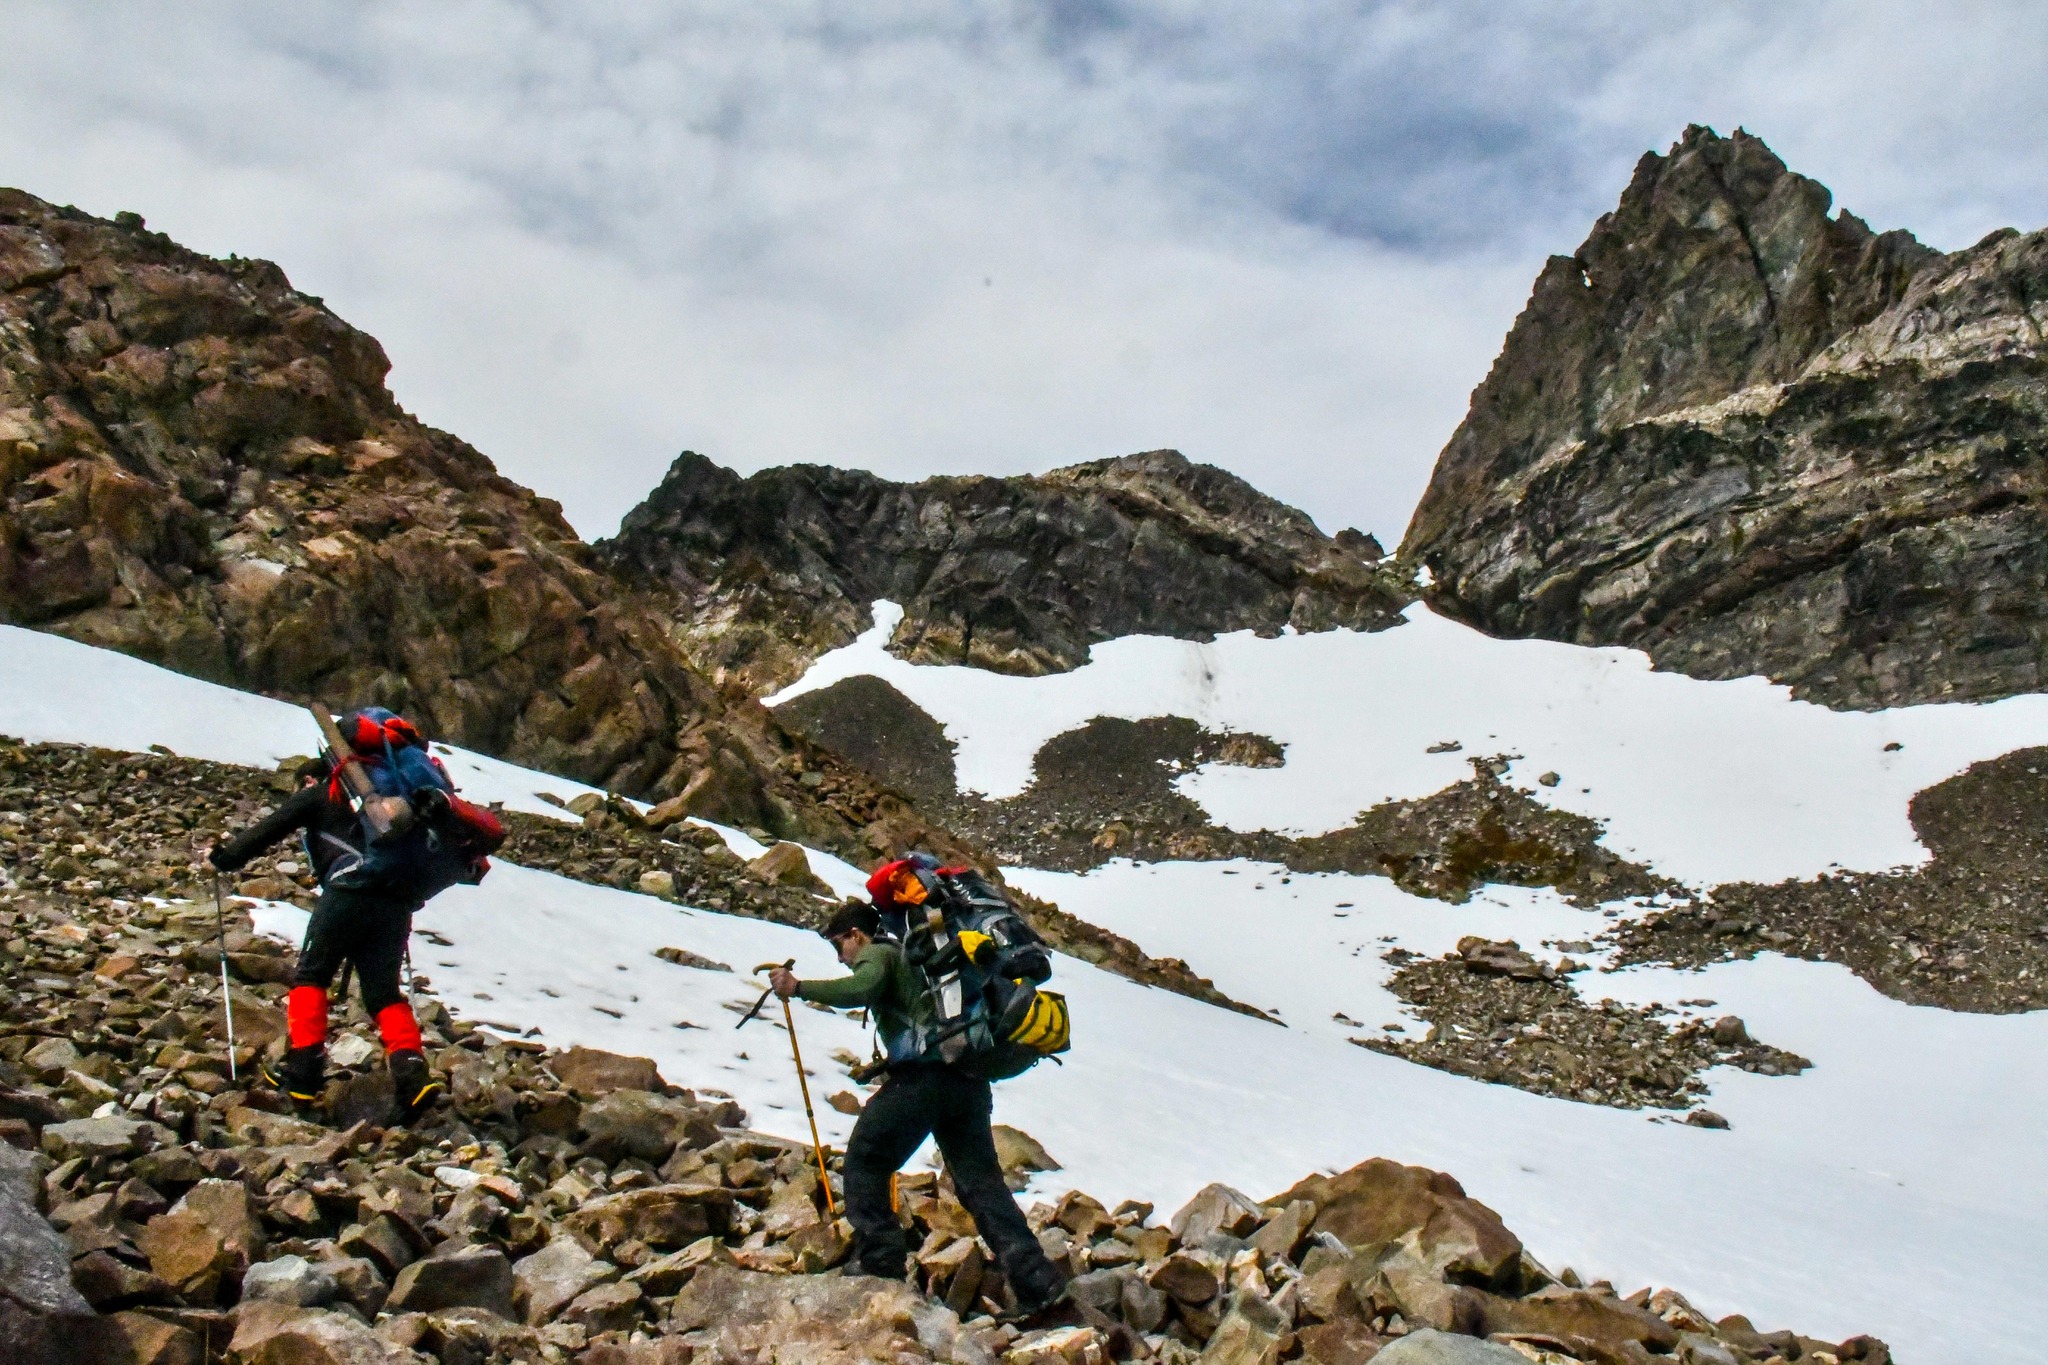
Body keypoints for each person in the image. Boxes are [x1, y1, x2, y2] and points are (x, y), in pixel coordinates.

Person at [770, 880, 1069, 1317]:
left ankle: (881, 1264)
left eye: (840, 945)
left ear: (856, 934)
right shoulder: (921, 960)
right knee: (980, 1184)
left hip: (924, 1081)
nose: (841, 956)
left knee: (867, 1159)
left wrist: (799, 987)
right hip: (966, 1081)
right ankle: (1037, 1281)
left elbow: (863, 988)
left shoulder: (881, 953)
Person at [207, 709, 496, 1123]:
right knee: (382, 992)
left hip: (349, 892)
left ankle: (302, 1075)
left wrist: (224, 858)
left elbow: (266, 832)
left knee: (312, 974)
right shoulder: (386, 800)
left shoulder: (322, 793)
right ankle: (413, 1077)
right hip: (396, 901)